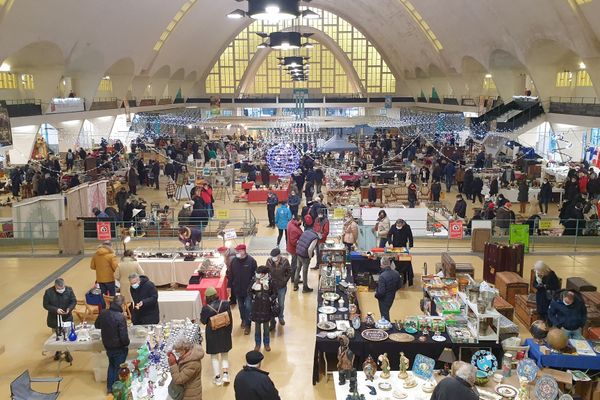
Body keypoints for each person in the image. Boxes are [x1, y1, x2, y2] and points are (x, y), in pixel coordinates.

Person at [94, 295, 130, 394]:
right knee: (118, 368)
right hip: (119, 347)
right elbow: (123, 336)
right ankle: (116, 390)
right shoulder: (120, 317)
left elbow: (97, 325)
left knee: (112, 366)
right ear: (122, 305)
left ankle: (109, 388)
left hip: (107, 345)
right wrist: (127, 344)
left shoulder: (103, 313)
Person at [200, 287, 233, 386]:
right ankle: (226, 375)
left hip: (212, 334)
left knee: (214, 356)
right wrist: (229, 332)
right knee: (224, 354)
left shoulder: (206, 309)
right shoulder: (225, 304)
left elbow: (203, 321)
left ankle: (217, 378)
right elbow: (230, 319)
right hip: (224, 332)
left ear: (207, 297)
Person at [43, 278, 76, 361]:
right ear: (55, 286)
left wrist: (69, 308)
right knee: (57, 337)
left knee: (67, 336)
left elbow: (73, 301)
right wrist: (56, 310)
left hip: (67, 317)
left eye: (62, 288)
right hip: (54, 318)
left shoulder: (69, 290)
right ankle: (58, 351)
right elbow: (45, 305)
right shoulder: (49, 292)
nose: (61, 290)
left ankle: (67, 352)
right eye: (59, 288)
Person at [229, 244, 258, 335]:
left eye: (240, 251)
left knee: (248, 307)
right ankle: (243, 320)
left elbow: (256, 276)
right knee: (241, 307)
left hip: (248, 290)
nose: (238, 253)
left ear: (244, 251)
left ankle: (248, 325)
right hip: (237, 289)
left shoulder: (251, 261)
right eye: (237, 251)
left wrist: (254, 287)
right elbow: (231, 275)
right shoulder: (234, 261)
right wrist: (229, 286)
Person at [249, 265, 276, 352]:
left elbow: (275, 293)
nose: (258, 275)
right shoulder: (254, 281)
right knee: (257, 329)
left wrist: (270, 299)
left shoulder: (270, 281)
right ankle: (257, 344)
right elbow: (249, 291)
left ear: (264, 274)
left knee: (266, 328)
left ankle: (267, 344)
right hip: (256, 308)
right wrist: (253, 296)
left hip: (266, 308)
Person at [266, 248, 292, 329]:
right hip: (272, 287)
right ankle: (272, 321)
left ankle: (281, 316)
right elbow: (267, 271)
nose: (273, 258)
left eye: (275, 256)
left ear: (279, 255)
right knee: (271, 304)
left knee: (281, 304)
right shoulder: (269, 261)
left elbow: (290, 271)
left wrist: (285, 280)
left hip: (281, 286)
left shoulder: (285, 261)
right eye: (272, 256)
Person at [294, 226, 319, 292]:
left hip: (298, 252)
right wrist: (310, 257)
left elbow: (299, 241)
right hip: (305, 256)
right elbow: (310, 249)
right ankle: (305, 288)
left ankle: (295, 286)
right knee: (304, 271)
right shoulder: (315, 238)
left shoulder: (306, 231)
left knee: (298, 268)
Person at [286, 215, 303, 285]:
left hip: (291, 248)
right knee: (295, 264)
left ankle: (295, 276)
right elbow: (293, 241)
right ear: (297, 220)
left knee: (294, 263)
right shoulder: (294, 229)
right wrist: (301, 243)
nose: (301, 222)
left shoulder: (291, 223)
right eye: (300, 221)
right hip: (294, 249)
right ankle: (294, 278)